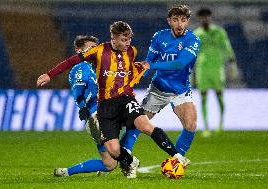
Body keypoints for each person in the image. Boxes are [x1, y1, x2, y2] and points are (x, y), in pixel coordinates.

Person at [37, 21, 189, 179]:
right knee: (113, 151)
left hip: (125, 99)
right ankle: (129, 161)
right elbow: (71, 61)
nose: (127, 43)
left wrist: (137, 73)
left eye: (129, 39)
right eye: (124, 40)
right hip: (105, 106)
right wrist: (49, 75)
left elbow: (128, 70)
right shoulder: (98, 51)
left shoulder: (131, 51)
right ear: (113, 39)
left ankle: (178, 156)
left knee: (144, 125)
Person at [53, 35, 140, 177]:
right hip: (98, 116)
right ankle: (129, 159)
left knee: (109, 164)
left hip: (108, 112)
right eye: (91, 48)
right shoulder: (81, 68)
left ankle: (66, 172)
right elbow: (78, 91)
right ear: (79, 51)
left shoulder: (99, 67)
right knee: (136, 120)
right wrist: (83, 107)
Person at [136, 5, 199, 157]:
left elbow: (179, 64)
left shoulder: (192, 39)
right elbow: (148, 62)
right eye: (175, 20)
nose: (179, 24)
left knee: (191, 125)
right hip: (159, 89)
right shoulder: (159, 37)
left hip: (181, 89)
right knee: (136, 125)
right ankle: (122, 156)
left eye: (183, 20)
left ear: (188, 22)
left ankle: (176, 161)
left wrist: (152, 65)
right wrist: (135, 79)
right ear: (169, 21)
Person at [193, 8, 236, 136]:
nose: (205, 19)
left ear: (210, 17)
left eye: (206, 16)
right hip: (202, 69)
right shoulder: (196, 34)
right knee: (203, 97)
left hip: (217, 68)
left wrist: (232, 63)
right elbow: (192, 54)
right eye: (202, 17)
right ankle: (206, 126)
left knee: (219, 96)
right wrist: (190, 72)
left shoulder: (219, 32)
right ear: (199, 18)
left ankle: (221, 124)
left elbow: (227, 46)